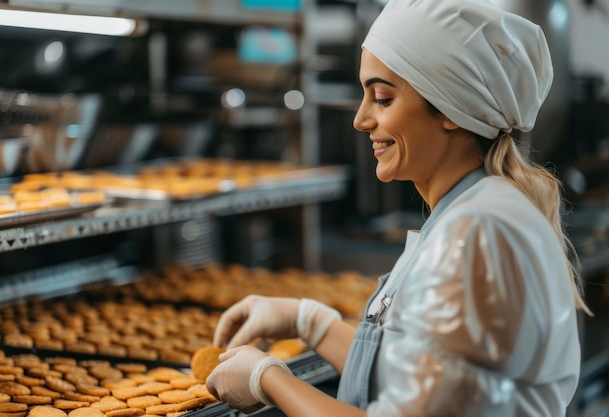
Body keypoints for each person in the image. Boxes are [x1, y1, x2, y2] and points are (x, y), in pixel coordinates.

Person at [205, 0, 592, 416]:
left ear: (449, 109)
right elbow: (418, 374)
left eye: (383, 98)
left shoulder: (476, 235)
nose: (360, 119)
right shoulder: (475, 209)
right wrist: (312, 323)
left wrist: (268, 378)